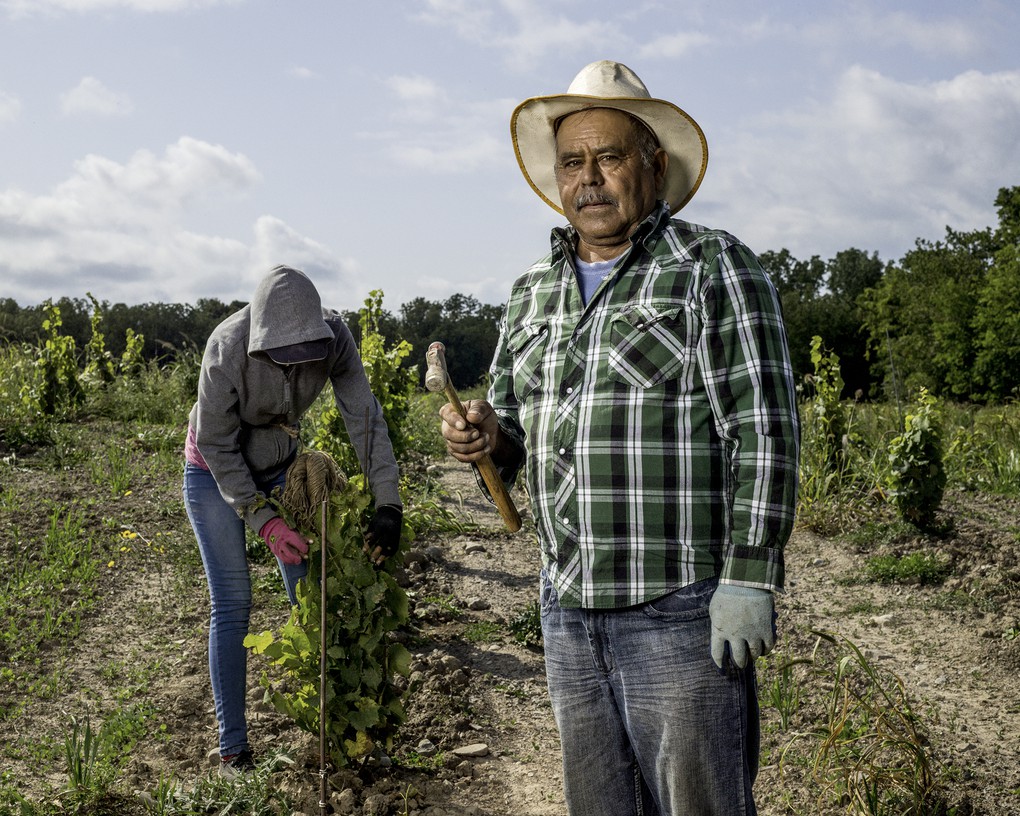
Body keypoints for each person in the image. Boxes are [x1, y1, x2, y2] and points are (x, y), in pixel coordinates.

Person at [439, 61, 799, 815]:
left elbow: (762, 429)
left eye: (610, 157)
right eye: (573, 161)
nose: (590, 178)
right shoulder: (533, 290)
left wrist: (750, 573)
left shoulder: (711, 268)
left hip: (679, 608)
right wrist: (483, 438)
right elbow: (510, 433)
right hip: (567, 608)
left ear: (655, 166)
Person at [183, 265, 403, 778]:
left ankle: (342, 732)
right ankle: (233, 749)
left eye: (306, 355)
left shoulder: (336, 338)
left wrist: (388, 502)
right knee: (233, 602)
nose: (298, 365)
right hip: (212, 471)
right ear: (261, 340)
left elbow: (363, 417)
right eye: (284, 357)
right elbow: (216, 444)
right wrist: (262, 520)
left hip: (282, 467)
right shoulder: (226, 347)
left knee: (311, 592)